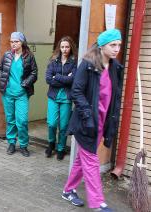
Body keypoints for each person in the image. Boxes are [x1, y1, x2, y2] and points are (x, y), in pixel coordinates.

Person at [61, 29, 123, 212]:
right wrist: (88, 115)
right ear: (102, 45)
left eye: (119, 45)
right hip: (85, 123)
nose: (117, 49)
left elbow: (114, 97)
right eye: (113, 45)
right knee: (91, 161)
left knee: (82, 159)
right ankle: (97, 203)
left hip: (102, 123)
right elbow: (76, 92)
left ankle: (68, 190)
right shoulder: (87, 65)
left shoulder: (114, 68)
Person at [0, 32, 38, 157]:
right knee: (10, 120)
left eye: (16, 41)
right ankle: (11, 143)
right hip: (7, 93)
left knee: (22, 121)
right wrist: (2, 81)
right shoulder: (7, 55)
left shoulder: (29, 56)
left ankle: (24, 145)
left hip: (22, 94)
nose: (13, 44)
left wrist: (25, 83)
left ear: (22, 42)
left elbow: (34, 72)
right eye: (12, 41)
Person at [45, 36, 77, 160]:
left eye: (67, 47)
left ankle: (61, 148)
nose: (64, 49)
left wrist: (56, 77)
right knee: (52, 123)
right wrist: (64, 78)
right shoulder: (53, 61)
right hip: (53, 97)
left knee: (63, 126)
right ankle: (51, 143)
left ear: (70, 48)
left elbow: (72, 79)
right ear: (59, 48)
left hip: (66, 99)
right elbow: (48, 79)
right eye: (62, 47)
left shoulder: (74, 63)